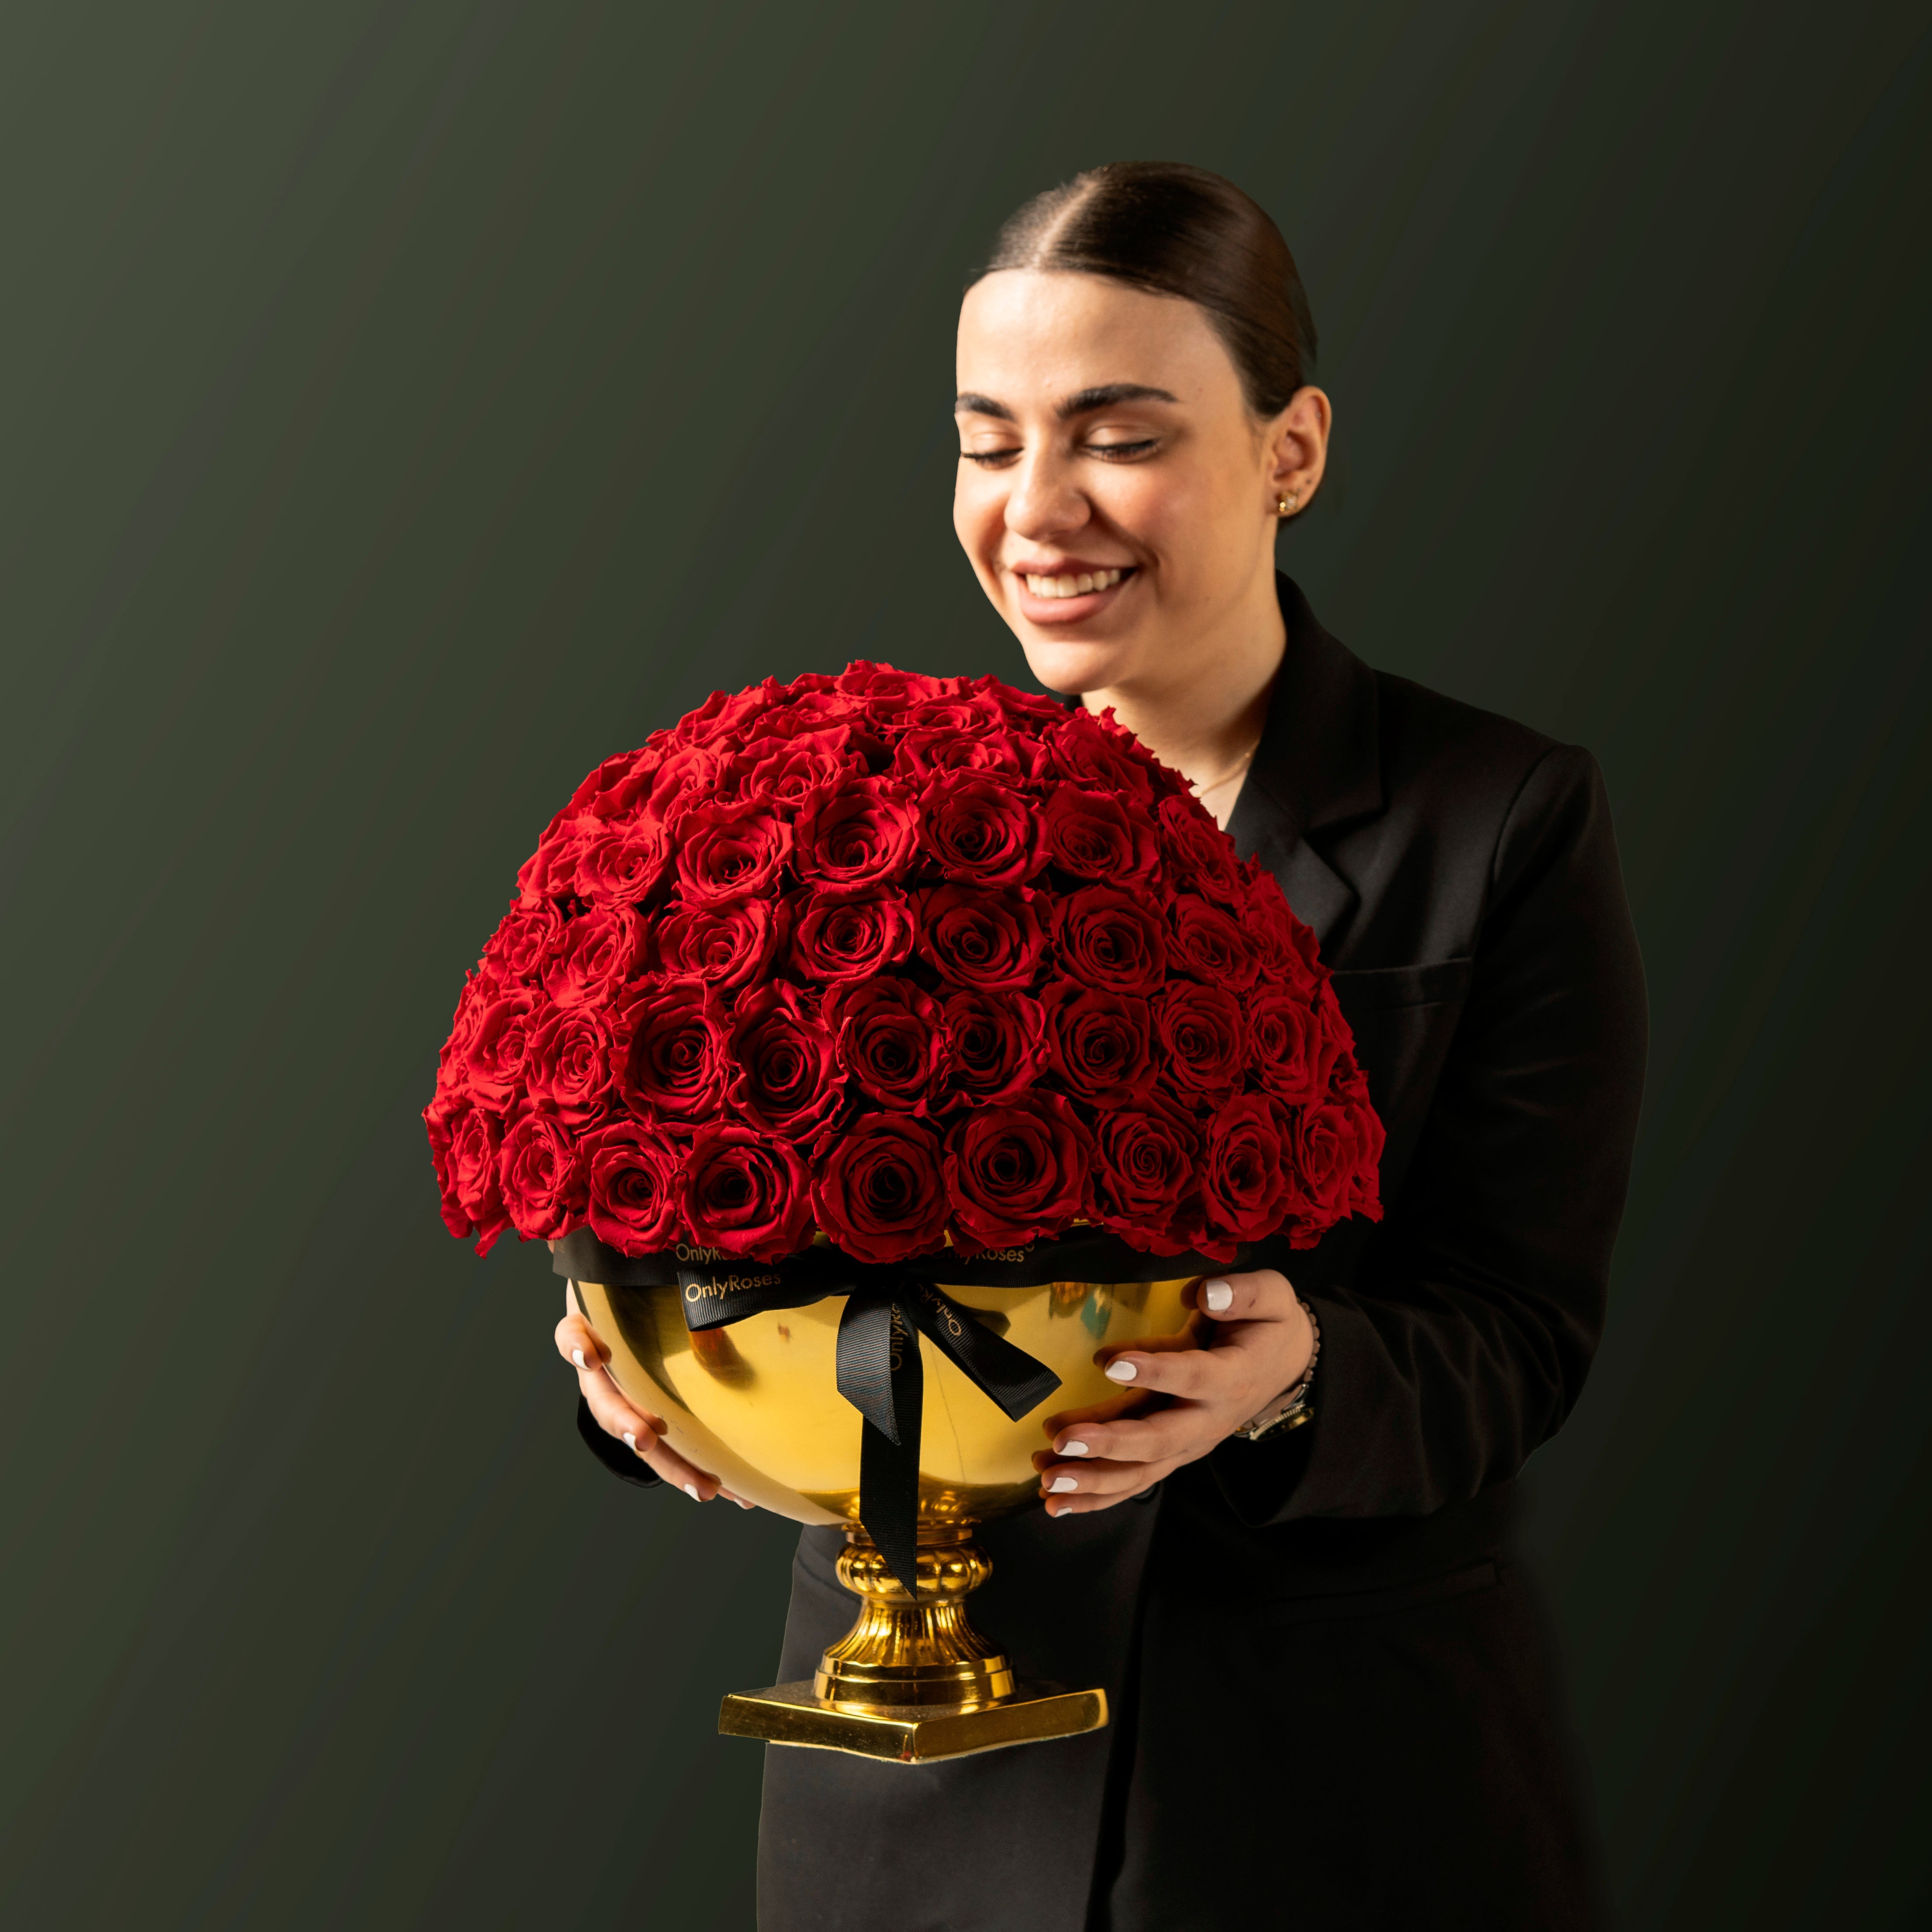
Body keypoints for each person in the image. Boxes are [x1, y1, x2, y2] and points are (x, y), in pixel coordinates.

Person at [556, 162, 1647, 1931]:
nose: (1037, 507)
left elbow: (1517, 1332)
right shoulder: (857, 821)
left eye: (1116, 432)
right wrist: (641, 1354)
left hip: (1312, 1786)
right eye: (986, 440)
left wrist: (1297, 1376)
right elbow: (750, 1217)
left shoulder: (1494, 818)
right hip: (903, 1797)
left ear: (1290, 450)